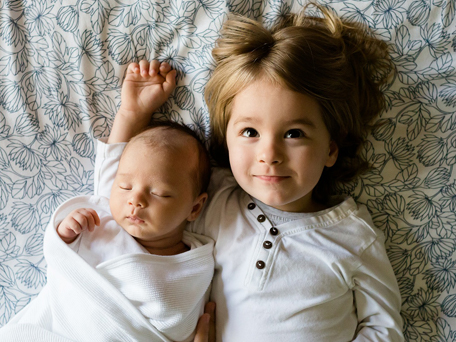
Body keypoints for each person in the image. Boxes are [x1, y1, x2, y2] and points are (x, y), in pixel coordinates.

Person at [93, 3, 404, 341]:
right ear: (226, 141)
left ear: (330, 148)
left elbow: (384, 328)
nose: (269, 155)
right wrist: (132, 115)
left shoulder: (353, 236)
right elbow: (121, 200)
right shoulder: (212, 203)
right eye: (250, 133)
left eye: (294, 134)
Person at [0, 62, 215, 342]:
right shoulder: (102, 218)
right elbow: (66, 267)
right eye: (124, 186)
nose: (134, 199)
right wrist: (133, 111)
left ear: (195, 207)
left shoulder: (195, 264)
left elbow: (179, 323)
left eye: (159, 193)